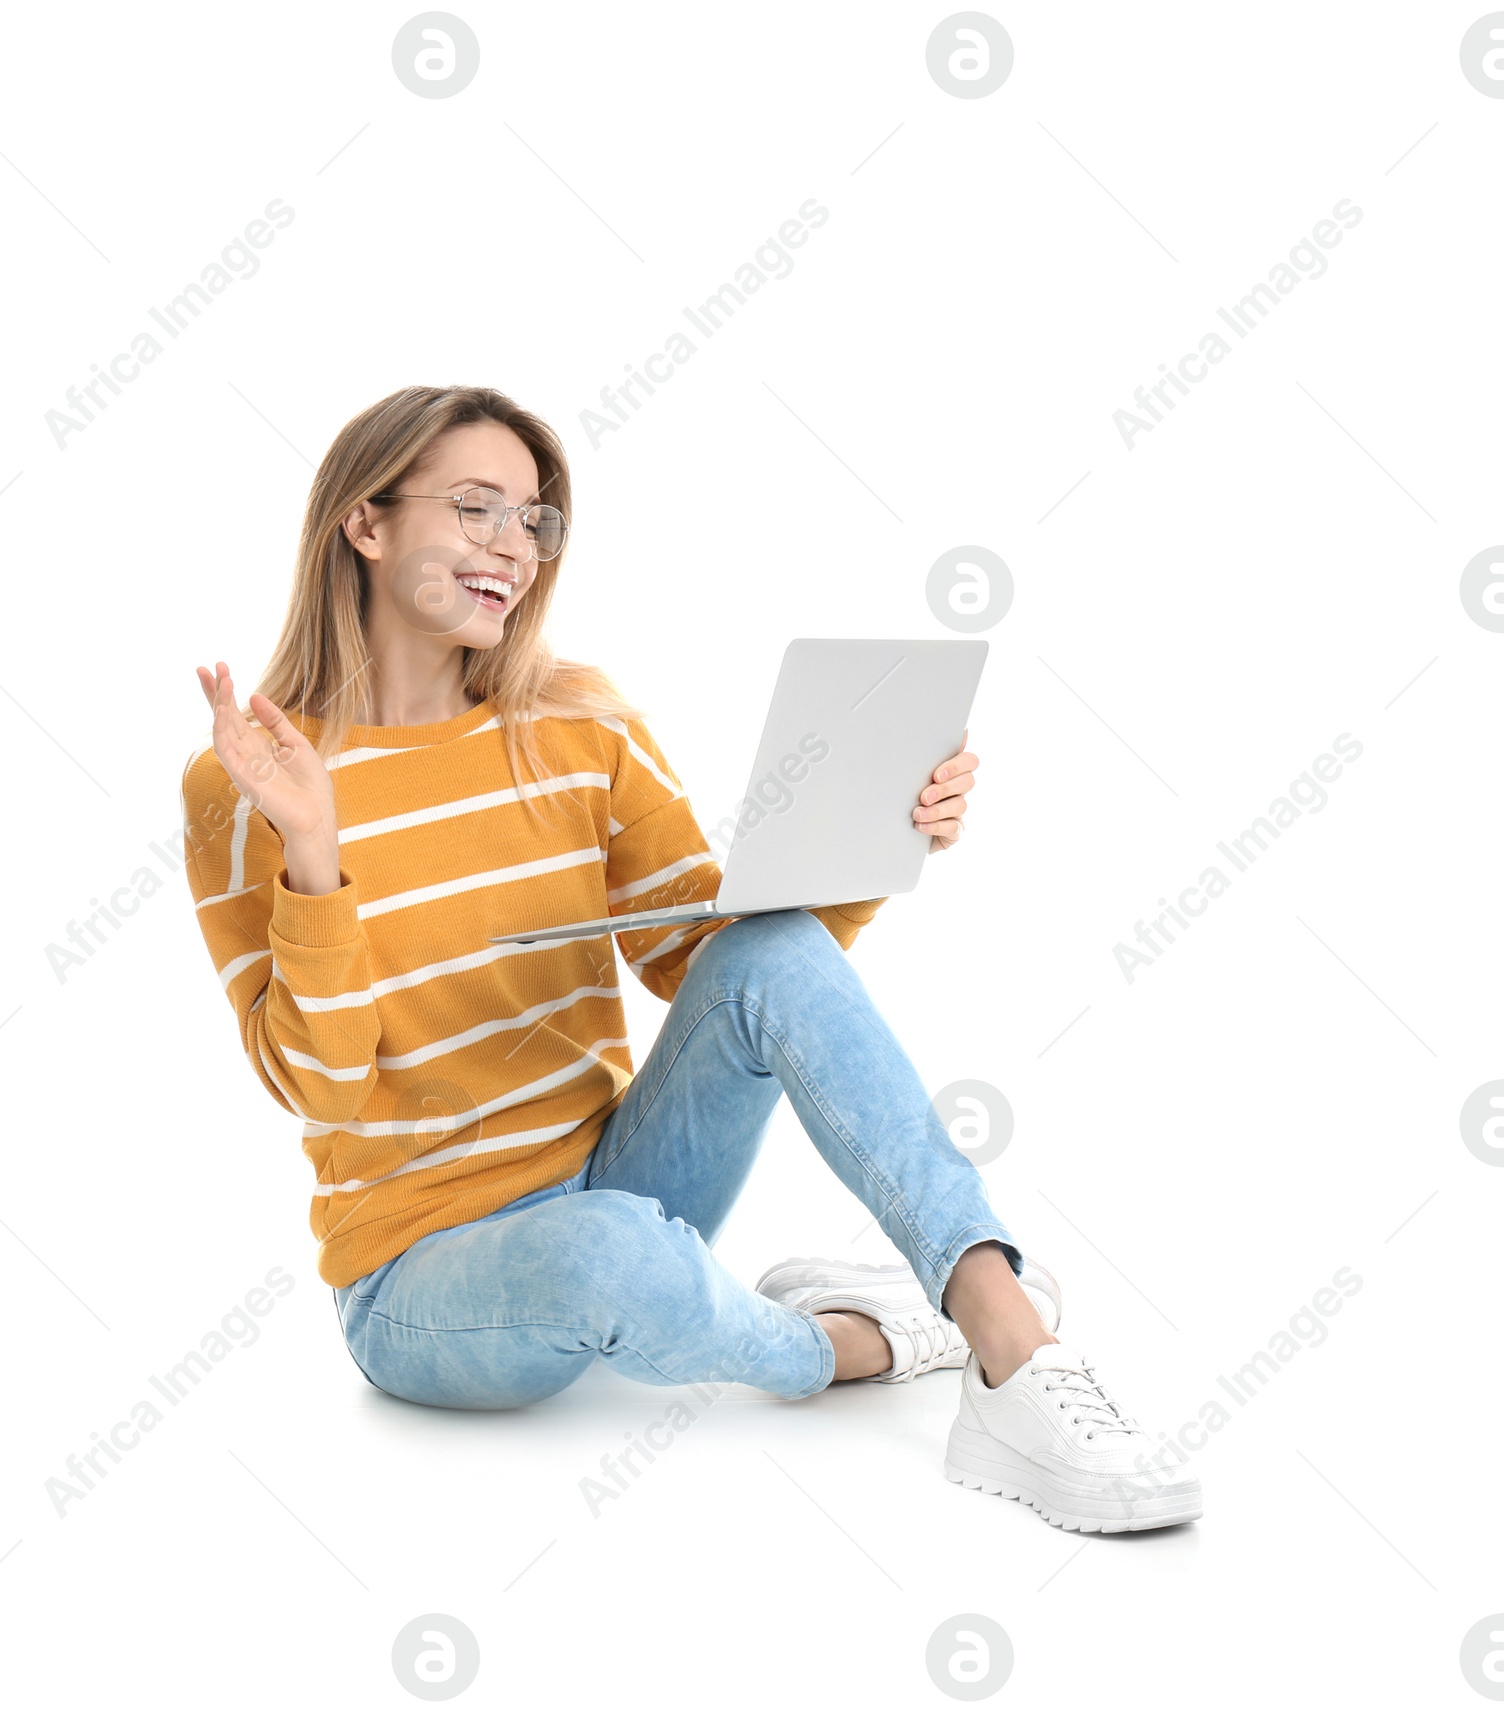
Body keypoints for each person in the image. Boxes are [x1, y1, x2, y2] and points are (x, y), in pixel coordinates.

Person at [181, 383, 1200, 1532]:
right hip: (419, 1275)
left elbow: (716, 960)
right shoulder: (243, 780)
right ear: (363, 523)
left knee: (758, 957)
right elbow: (319, 1086)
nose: (512, 548)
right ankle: (846, 1344)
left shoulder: (575, 719)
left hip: (623, 1172)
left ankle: (1005, 1336)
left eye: (533, 520)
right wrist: (313, 850)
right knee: (611, 1253)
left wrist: (876, 834)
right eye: (476, 508)